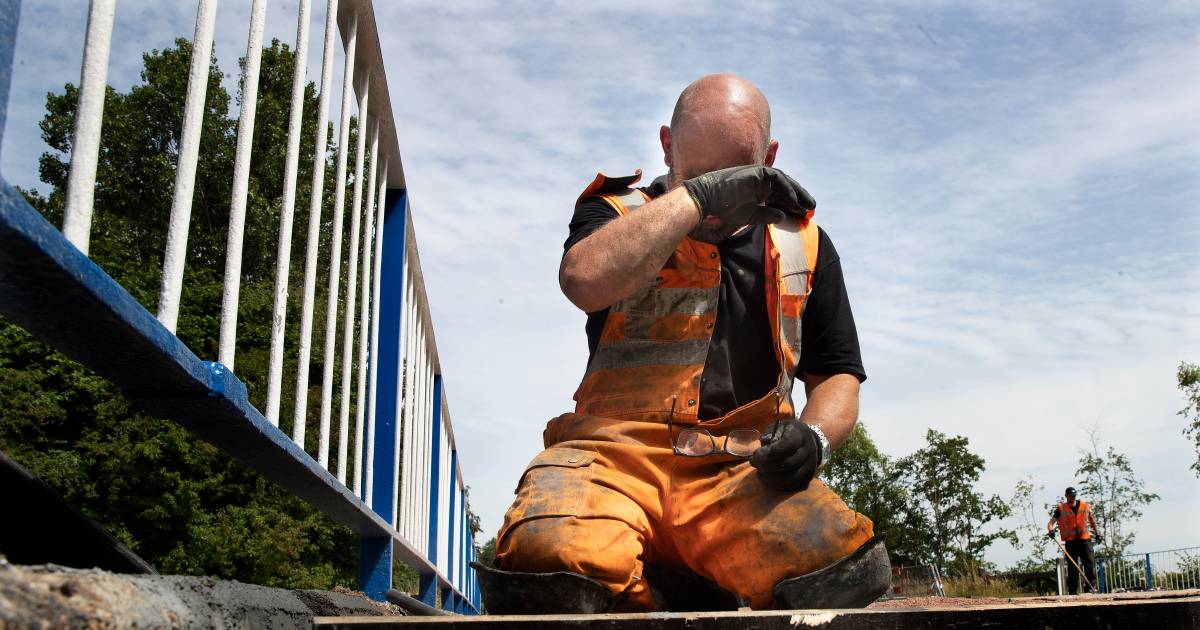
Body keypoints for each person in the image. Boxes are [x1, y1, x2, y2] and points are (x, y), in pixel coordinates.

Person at [474, 74, 888, 614]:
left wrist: (815, 439)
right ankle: (661, 592)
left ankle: (681, 577)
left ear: (770, 155)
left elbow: (836, 374)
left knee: (838, 568)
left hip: (738, 471)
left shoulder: (804, 243)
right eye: (698, 174)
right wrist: (696, 198)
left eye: (736, 175)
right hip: (608, 460)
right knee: (548, 563)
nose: (718, 204)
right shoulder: (616, 214)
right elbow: (584, 281)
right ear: (667, 144)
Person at [1047, 486, 1103, 594]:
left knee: (1089, 564)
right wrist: (1051, 531)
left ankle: (1090, 587)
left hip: (1084, 540)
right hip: (1071, 541)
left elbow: (1092, 520)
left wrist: (1097, 533)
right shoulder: (1061, 508)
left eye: (1073, 496)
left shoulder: (1085, 506)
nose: (1072, 498)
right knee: (1072, 567)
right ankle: (1073, 590)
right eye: (1070, 496)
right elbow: (1050, 523)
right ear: (1066, 496)